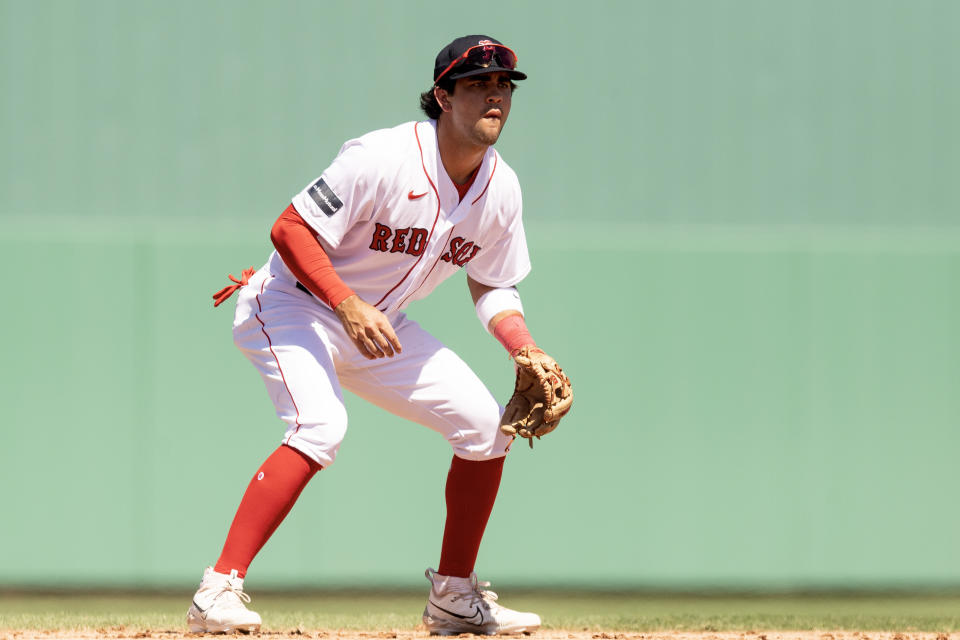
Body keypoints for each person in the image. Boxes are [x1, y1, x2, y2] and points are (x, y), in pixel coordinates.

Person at [189, 35, 566, 635]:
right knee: (320, 426)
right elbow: (288, 227)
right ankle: (217, 592)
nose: (495, 95)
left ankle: (453, 598)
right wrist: (344, 301)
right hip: (293, 303)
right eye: (477, 85)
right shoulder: (382, 156)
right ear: (443, 96)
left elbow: (493, 286)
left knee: (484, 428)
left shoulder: (501, 189)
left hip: (379, 324)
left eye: (503, 86)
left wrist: (522, 346)